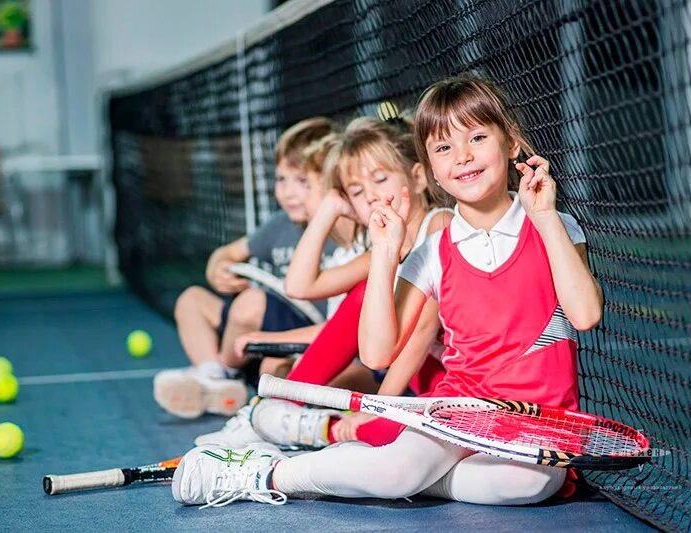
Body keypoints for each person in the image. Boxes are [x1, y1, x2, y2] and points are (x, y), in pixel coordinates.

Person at [171, 74, 603, 508]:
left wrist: (544, 217)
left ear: (511, 142)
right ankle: (264, 473)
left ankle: (390, 472)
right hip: (459, 407)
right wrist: (384, 253)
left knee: (527, 484)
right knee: (397, 471)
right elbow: (377, 355)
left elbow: (585, 315)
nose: (463, 157)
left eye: (477, 137)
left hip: (539, 419)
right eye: (443, 148)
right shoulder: (434, 250)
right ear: (430, 168)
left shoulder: (555, 225)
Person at [194, 113, 452, 451]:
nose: (370, 196)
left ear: (417, 178)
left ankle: (284, 416)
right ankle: (277, 414)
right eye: (356, 190)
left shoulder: (439, 225)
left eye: (380, 179)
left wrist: (379, 407)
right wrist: (330, 207)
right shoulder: (382, 248)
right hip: (415, 377)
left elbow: (421, 333)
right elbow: (300, 287)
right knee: (363, 296)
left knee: (364, 302)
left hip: (453, 381)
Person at [153, 117, 337, 419]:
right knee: (191, 301)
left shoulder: (342, 231)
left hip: (303, 334)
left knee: (260, 329)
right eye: (281, 179)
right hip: (253, 332)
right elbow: (228, 253)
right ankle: (215, 374)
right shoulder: (279, 226)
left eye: (302, 181)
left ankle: (220, 375)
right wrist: (218, 268)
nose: (288, 192)